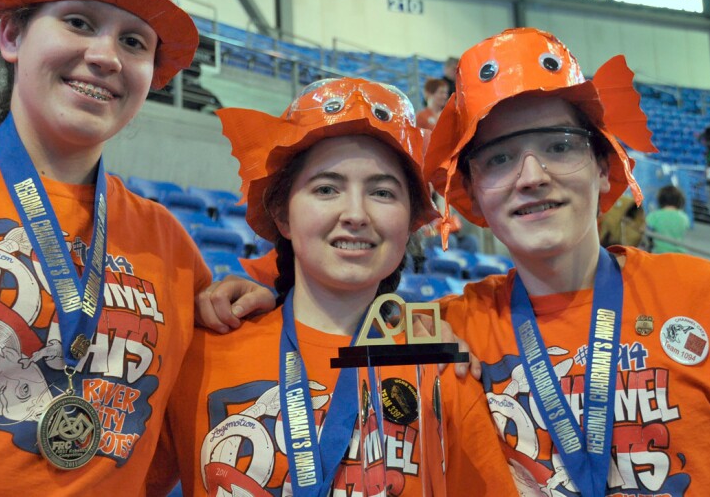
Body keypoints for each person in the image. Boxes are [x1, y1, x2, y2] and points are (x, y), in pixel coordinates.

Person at [0, 0, 271, 493]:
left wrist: (233, 311)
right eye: (78, 22)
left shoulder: (169, 245)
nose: (106, 56)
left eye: (134, 42)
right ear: (11, 35)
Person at [424, 27, 710, 495]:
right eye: (500, 158)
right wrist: (415, 348)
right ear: (473, 195)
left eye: (560, 145)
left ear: (605, 166)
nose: (531, 177)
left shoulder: (707, 296)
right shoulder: (450, 329)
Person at [147, 77, 517, 496]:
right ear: (283, 216)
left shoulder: (441, 367)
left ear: (410, 221)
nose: (355, 213)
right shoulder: (200, 352)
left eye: (381, 192)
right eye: (327, 189)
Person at [644, 185, 690, 253]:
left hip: (660, 252)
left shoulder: (654, 215)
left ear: (660, 199)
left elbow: (645, 229)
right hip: (680, 254)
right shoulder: (684, 217)